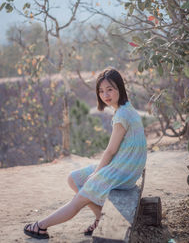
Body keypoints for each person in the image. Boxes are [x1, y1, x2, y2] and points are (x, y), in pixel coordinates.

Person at [24, 67, 147, 240]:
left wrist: (97, 174)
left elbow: (110, 151)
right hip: (123, 165)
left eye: (110, 89)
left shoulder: (122, 116)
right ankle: (99, 218)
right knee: (74, 179)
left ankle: (40, 227)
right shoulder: (125, 108)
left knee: (79, 199)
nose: (105, 95)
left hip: (123, 171)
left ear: (120, 88)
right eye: (101, 91)